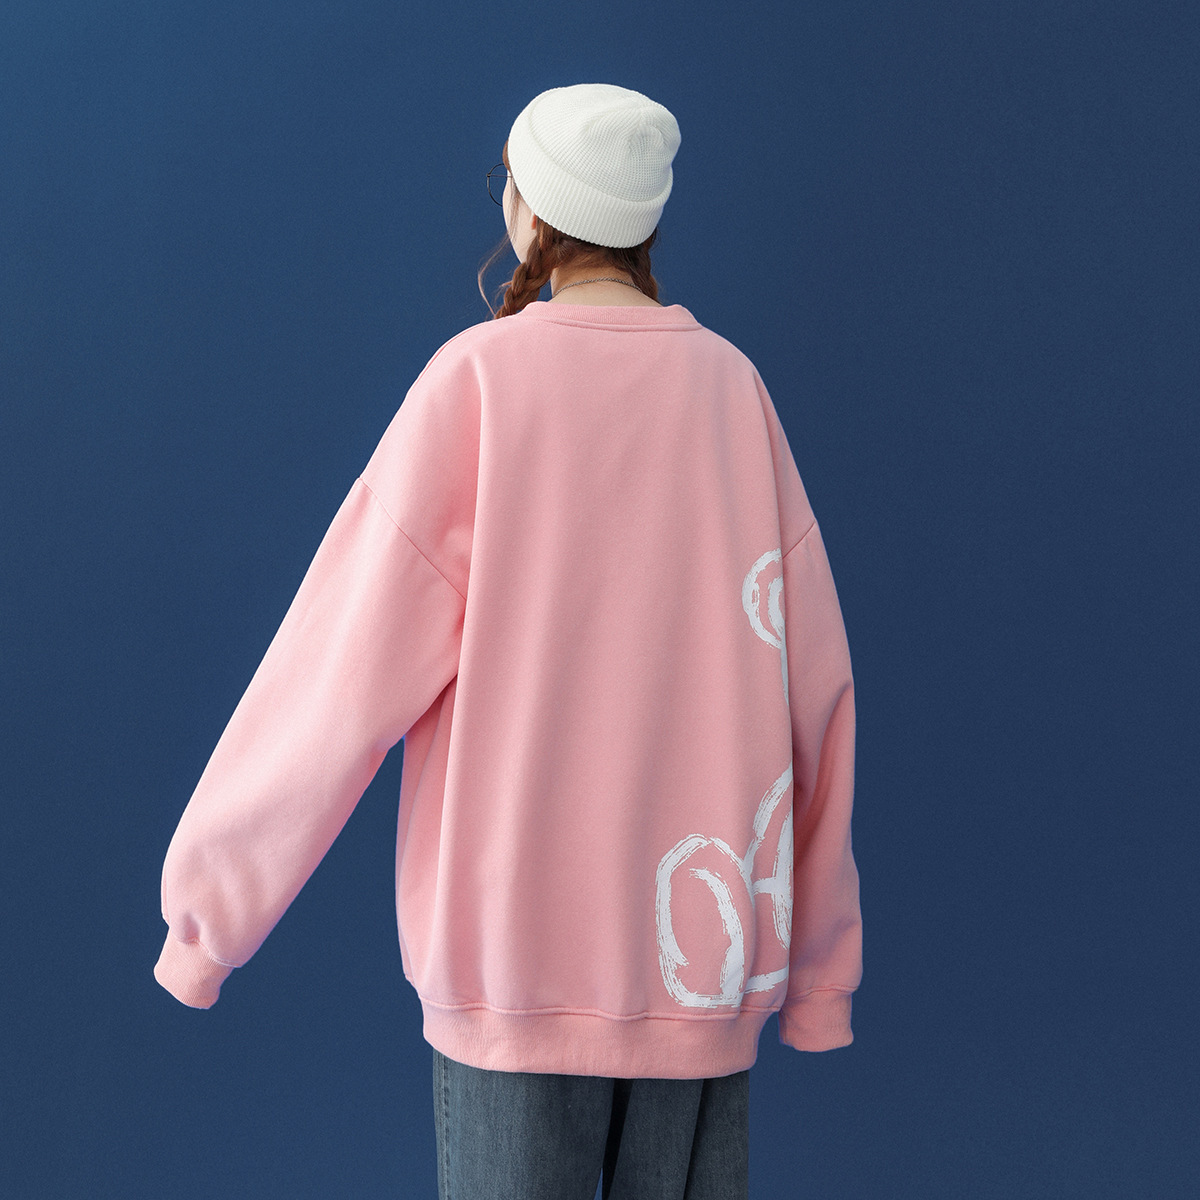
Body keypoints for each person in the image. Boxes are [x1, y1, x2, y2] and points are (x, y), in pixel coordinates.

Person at [154, 83, 862, 1200]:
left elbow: (336, 677)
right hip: (704, 971)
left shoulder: (478, 381)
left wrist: (206, 924)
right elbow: (813, 696)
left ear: (529, 209)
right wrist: (817, 973)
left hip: (512, 966)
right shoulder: (733, 392)